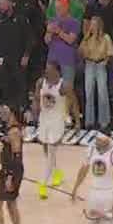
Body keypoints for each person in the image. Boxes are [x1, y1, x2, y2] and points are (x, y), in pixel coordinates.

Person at [34, 63, 71, 200]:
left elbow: (73, 101)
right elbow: (36, 99)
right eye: (46, 69)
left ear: (56, 71)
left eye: (49, 69)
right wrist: (34, 111)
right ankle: (57, 173)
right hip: (44, 119)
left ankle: (42, 184)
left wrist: (73, 119)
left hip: (57, 120)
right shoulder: (40, 82)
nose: (46, 71)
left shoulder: (63, 85)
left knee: (51, 151)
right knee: (47, 150)